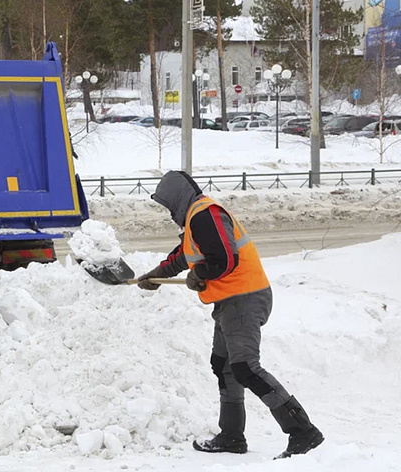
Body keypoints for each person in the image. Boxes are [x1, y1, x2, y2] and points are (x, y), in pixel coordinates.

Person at [137, 171, 323, 459]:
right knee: (223, 364)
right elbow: (186, 255)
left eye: (167, 205)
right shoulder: (195, 221)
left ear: (176, 199)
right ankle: (232, 436)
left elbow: (224, 258)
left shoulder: (204, 215)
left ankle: (303, 431)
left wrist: (199, 274)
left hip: (244, 298)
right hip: (229, 301)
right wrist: (157, 275)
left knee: (246, 367)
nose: (169, 212)